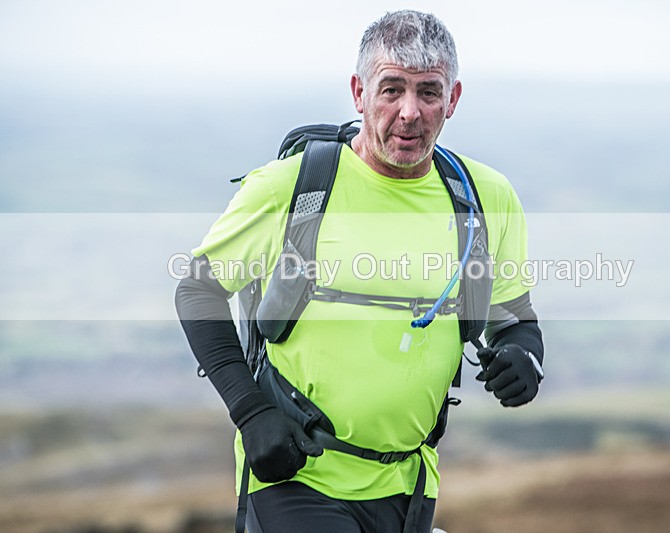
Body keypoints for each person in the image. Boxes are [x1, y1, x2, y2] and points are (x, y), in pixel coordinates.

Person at [175, 10, 544, 533]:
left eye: (429, 92)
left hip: (410, 484)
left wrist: (525, 357)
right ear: (359, 92)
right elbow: (197, 290)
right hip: (296, 476)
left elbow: (515, 318)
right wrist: (251, 413)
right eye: (391, 89)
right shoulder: (292, 188)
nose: (410, 112)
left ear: (454, 99)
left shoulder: (485, 199)